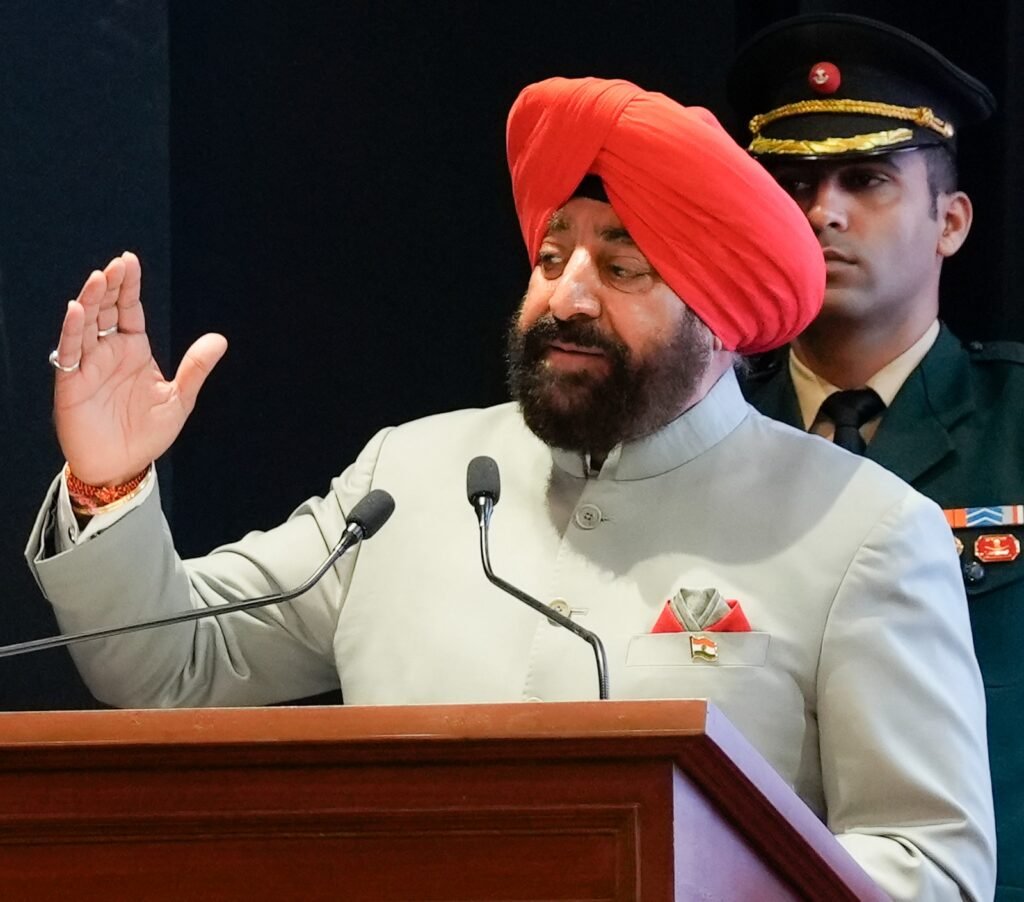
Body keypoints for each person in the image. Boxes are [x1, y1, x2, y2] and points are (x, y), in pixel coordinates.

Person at [27, 76, 994, 899]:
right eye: (551, 257)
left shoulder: (861, 530)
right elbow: (172, 666)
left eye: (623, 266)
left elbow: (928, 865)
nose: (567, 297)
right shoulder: (409, 474)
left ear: (719, 314)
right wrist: (109, 482)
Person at [728, 13, 1021, 899]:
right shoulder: (705, 430)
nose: (822, 211)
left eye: (865, 180)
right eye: (794, 185)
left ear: (951, 222)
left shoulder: (1014, 422)